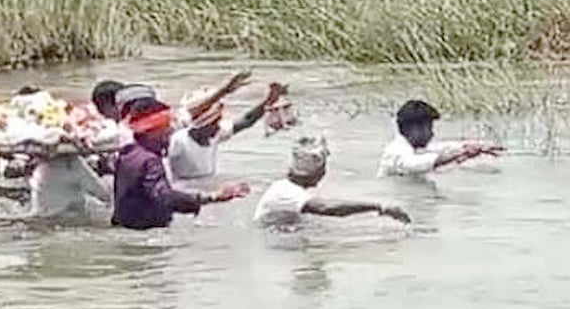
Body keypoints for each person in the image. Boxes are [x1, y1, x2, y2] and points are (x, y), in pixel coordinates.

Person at [111, 87, 249, 230]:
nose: (169, 132)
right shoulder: (150, 161)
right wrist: (213, 197)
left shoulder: (127, 153)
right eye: (164, 129)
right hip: (147, 234)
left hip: (124, 226)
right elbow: (165, 196)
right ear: (150, 132)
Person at [254, 137, 411, 229]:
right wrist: (379, 206)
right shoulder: (285, 192)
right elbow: (327, 208)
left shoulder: (290, 189)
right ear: (319, 171)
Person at [168, 73, 282, 182]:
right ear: (201, 124)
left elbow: (247, 120)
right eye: (214, 122)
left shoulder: (215, 134)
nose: (218, 125)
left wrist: (268, 101)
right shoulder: (178, 141)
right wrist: (224, 90)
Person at [378, 99, 501, 178]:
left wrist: (474, 148)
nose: (431, 134)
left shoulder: (412, 147)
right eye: (429, 128)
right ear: (413, 128)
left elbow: (442, 148)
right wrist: (463, 152)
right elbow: (421, 163)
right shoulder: (395, 153)